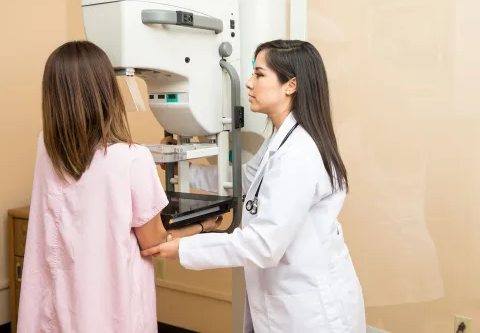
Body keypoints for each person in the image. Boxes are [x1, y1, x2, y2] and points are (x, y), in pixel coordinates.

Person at [141, 39, 366, 332]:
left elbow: (263, 245)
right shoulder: (283, 138)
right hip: (288, 299)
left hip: (310, 312)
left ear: (291, 85)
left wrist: (184, 248)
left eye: (259, 74)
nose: (248, 83)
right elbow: (247, 180)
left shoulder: (298, 154)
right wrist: (180, 165)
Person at [16, 40, 222, 333]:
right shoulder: (131, 158)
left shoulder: (46, 148)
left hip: (59, 303)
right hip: (111, 309)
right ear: (105, 91)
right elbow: (153, 243)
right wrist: (203, 226)